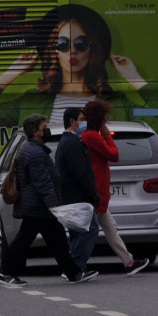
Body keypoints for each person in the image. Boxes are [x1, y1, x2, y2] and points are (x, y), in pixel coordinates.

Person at [0, 4, 158, 133]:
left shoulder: (117, 103)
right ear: (54, 50)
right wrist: (12, 72)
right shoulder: (31, 102)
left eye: (81, 43)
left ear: (92, 48)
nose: (72, 51)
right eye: (63, 44)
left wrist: (134, 78)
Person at [0, 114, 98, 287]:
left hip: (38, 205)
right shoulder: (36, 153)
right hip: (38, 205)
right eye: (45, 128)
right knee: (25, 240)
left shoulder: (30, 149)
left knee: (57, 239)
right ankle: (6, 273)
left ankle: (73, 272)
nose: (47, 130)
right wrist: (52, 202)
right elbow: (42, 181)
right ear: (36, 132)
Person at [80, 98, 150, 276]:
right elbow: (114, 155)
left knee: (109, 228)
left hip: (97, 189)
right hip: (97, 190)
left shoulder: (87, 136)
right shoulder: (92, 136)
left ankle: (129, 262)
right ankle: (75, 265)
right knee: (89, 231)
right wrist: (107, 136)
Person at [54, 106, 100, 270]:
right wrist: (92, 193)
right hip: (77, 196)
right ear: (72, 121)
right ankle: (75, 266)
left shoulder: (67, 141)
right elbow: (81, 171)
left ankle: (75, 267)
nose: (84, 123)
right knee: (90, 229)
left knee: (77, 231)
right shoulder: (72, 142)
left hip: (70, 195)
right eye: (81, 119)